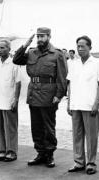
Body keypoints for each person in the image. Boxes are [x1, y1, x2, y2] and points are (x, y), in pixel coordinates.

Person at [13, 27, 67, 167]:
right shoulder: (31, 52)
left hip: (49, 95)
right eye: (38, 36)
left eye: (42, 36)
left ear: (49, 36)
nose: (39, 39)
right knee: (36, 126)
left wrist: (59, 96)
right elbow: (16, 60)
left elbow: (62, 77)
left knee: (48, 127)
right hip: (34, 94)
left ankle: (49, 155)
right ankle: (40, 153)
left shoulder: (57, 54)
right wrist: (25, 44)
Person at [67, 35, 99, 175]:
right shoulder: (73, 63)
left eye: (83, 46)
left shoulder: (97, 63)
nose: (80, 49)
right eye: (78, 46)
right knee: (77, 135)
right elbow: (70, 84)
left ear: (90, 47)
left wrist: (96, 103)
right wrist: (69, 102)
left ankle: (91, 163)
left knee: (91, 136)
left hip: (90, 106)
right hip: (76, 104)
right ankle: (78, 162)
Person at [0, 39, 22, 162]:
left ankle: (12, 152)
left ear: (9, 49)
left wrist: (16, 100)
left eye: (2, 48)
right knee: (0, 128)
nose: (0, 50)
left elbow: (18, 83)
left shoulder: (14, 64)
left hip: (9, 101)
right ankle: (2, 151)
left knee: (10, 128)